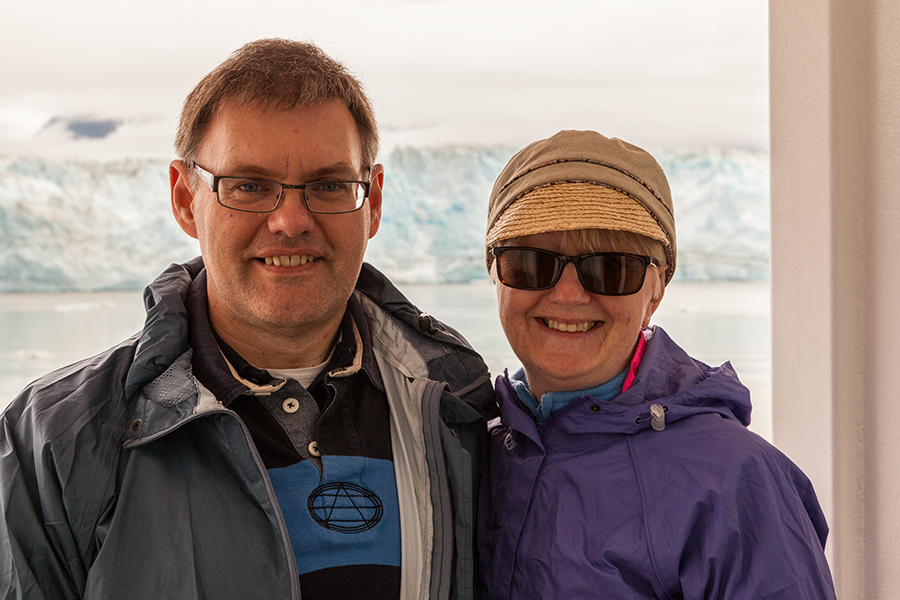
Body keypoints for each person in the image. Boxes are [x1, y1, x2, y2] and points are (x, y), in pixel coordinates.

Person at [0, 39, 496, 600]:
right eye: (248, 186)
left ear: (373, 201)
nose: (289, 220)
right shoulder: (54, 442)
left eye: (329, 186)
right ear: (186, 200)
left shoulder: (458, 406)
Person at [476, 130, 836, 599]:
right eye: (529, 263)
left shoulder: (736, 482)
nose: (566, 294)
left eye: (612, 269)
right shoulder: (469, 446)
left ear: (657, 290)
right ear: (494, 273)